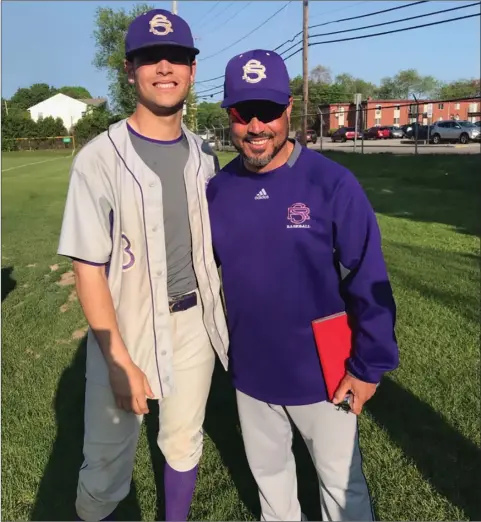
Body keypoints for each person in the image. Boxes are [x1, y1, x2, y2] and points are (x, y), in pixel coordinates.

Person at [206, 49, 400, 521]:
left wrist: (368, 366)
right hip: (251, 370)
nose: (256, 126)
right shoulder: (216, 190)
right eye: (242, 112)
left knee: (341, 486)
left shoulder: (331, 183)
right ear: (229, 114)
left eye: (269, 112)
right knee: (272, 487)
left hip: (326, 373)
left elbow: (368, 277)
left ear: (289, 108)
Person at [57, 9, 228, 521]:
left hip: (193, 321)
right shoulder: (98, 158)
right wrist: (119, 359)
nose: (164, 67)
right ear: (129, 70)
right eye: (150, 58)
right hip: (124, 325)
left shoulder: (204, 154)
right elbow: (87, 268)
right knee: (107, 455)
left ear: (192, 71)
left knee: (183, 439)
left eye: (176, 57)